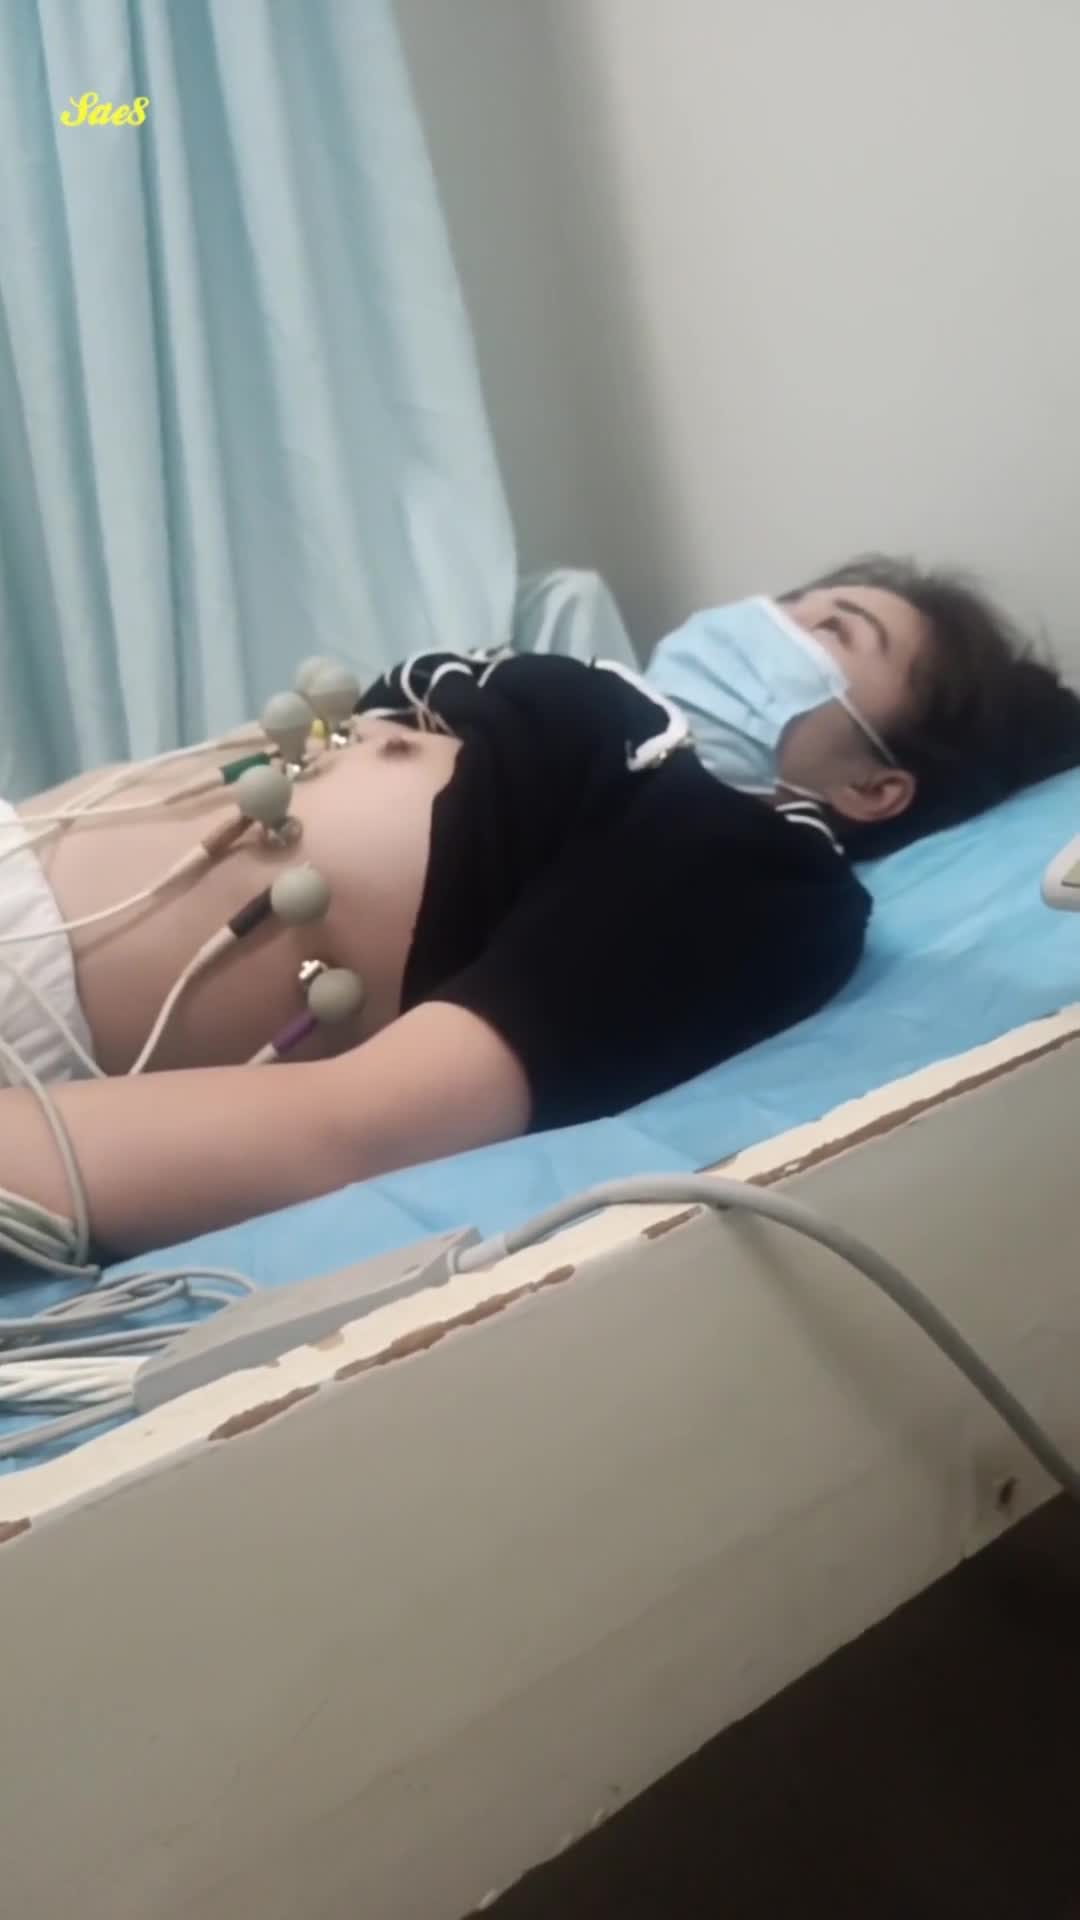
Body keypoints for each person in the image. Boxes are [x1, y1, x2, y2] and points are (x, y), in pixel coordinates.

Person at [1, 554, 1078, 1258]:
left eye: (833, 632)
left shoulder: (756, 872)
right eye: (789, 604)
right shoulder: (559, 707)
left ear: (878, 787)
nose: (764, 622)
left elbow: (365, 1127)